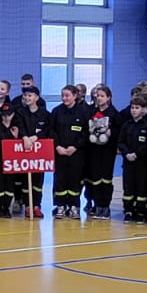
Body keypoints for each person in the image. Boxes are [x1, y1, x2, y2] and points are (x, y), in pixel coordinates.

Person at [50, 85, 88, 218]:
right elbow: (51, 131)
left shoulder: (83, 112)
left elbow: (85, 132)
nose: (64, 98)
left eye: (67, 96)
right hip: (60, 153)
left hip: (76, 153)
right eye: (63, 96)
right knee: (60, 179)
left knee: (74, 179)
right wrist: (57, 146)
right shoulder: (56, 111)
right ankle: (60, 206)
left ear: (75, 96)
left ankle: (74, 206)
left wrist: (75, 147)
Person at [84, 85, 122, 217]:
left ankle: (105, 206)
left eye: (102, 96)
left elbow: (119, 131)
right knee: (95, 178)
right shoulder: (91, 112)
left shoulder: (114, 113)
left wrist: (111, 132)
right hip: (93, 150)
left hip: (107, 151)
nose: (99, 98)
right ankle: (97, 205)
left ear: (108, 98)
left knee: (105, 179)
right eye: (97, 96)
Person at [13, 86, 52, 217]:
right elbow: (19, 127)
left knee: (38, 181)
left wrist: (37, 137)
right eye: (25, 95)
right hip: (25, 150)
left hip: (40, 153)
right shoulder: (20, 112)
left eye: (30, 95)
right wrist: (24, 137)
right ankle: (28, 206)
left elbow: (47, 130)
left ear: (36, 97)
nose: (27, 98)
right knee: (25, 180)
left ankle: (37, 206)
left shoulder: (45, 114)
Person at [118, 94, 147, 224]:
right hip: (128, 162)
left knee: (141, 188)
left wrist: (137, 154)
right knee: (128, 187)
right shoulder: (126, 125)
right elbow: (121, 142)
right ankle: (128, 211)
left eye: (137, 108)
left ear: (143, 109)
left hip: (141, 162)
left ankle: (140, 212)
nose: (134, 110)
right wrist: (126, 153)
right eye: (132, 108)